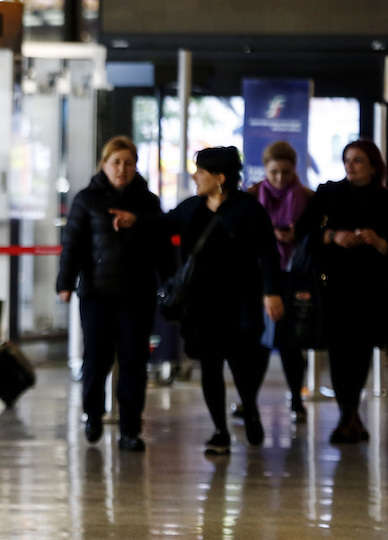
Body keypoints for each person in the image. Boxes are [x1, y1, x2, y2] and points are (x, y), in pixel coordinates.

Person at [113, 146, 283, 455]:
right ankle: (220, 431)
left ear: (220, 178)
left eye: (200, 172)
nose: (195, 177)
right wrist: (134, 219)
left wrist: (271, 293)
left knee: (243, 363)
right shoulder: (192, 207)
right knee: (210, 365)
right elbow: (163, 223)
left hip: (241, 300)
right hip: (203, 301)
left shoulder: (248, 209)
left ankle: (250, 408)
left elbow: (268, 252)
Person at [56, 136, 173, 453]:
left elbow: (162, 245)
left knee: (134, 361)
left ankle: (130, 429)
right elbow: (73, 244)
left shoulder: (148, 202)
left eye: (128, 163)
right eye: (116, 162)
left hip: (138, 294)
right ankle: (93, 414)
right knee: (97, 358)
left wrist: (170, 283)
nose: (122, 169)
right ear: (104, 165)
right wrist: (65, 283)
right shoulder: (86, 199)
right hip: (97, 294)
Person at [295, 140, 388, 444]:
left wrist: (380, 242)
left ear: (373, 166)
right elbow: (303, 231)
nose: (350, 166)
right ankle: (348, 413)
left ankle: (351, 412)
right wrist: (333, 236)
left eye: (358, 160)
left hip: (371, 287)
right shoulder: (330, 193)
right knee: (340, 350)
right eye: (347, 160)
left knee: (362, 349)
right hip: (334, 285)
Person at [245, 141, 313, 423]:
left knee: (289, 342)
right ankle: (248, 401)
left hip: (293, 275)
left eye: (286, 172)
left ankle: (296, 398)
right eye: (274, 172)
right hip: (259, 276)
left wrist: (297, 236)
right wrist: (270, 235)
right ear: (265, 170)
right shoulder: (252, 196)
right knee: (257, 342)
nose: (280, 178)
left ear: (294, 169)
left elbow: (315, 236)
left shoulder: (306, 198)